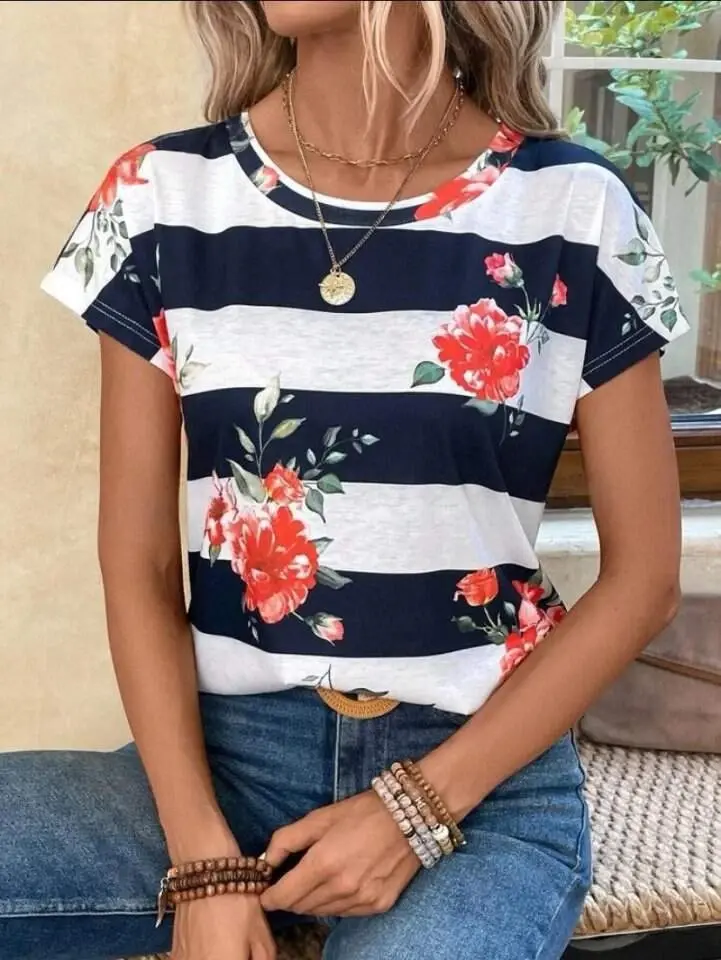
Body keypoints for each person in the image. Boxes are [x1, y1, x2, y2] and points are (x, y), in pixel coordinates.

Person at [1, 1, 686, 958]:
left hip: (476, 780)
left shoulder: (573, 205)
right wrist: (202, 861)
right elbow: (140, 565)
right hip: (226, 759)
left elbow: (645, 580)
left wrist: (417, 808)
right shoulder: (159, 195)